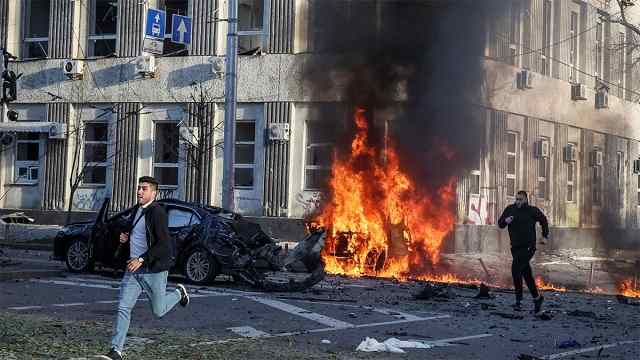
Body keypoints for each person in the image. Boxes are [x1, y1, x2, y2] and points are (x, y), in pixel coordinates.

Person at [100, 176, 189, 360]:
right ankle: (116, 350)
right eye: (139, 188)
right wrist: (124, 239)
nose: (139, 191)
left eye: (144, 189)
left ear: (153, 193)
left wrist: (141, 259)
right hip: (133, 269)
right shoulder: (137, 210)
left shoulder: (158, 212)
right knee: (123, 307)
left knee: (158, 311)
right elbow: (136, 233)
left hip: (153, 269)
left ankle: (179, 293)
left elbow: (164, 244)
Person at [498, 190, 548, 315]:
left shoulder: (532, 210)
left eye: (520, 199)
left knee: (515, 269)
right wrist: (506, 221)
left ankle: (518, 301)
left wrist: (544, 236)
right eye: (517, 199)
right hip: (515, 247)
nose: (518, 201)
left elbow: (544, 220)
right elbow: (500, 224)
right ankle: (537, 298)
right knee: (526, 274)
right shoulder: (510, 209)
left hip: (528, 247)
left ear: (526, 199)